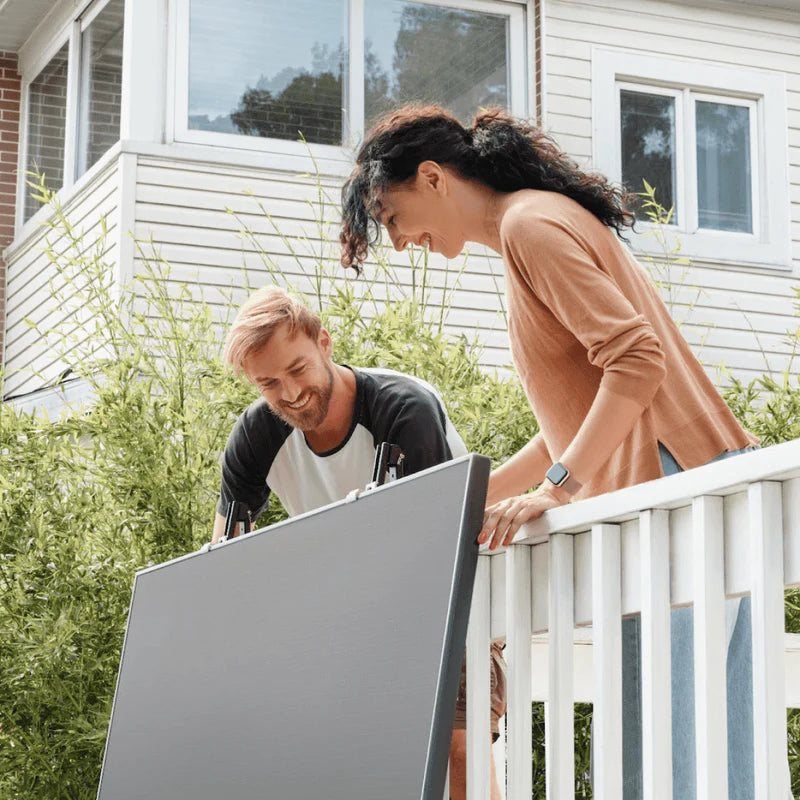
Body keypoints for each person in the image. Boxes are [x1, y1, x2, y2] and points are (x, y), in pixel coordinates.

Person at [339, 105, 768, 800]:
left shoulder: (529, 226)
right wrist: (458, 502)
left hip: (671, 488)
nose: (397, 242)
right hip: (701, 481)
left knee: (655, 760)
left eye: (391, 217)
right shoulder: (531, 227)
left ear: (433, 178)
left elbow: (636, 360)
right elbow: (572, 419)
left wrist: (559, 488)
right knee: (717, 757)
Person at [212, 284, 505, 800]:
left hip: (452, 609)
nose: (289, 393)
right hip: (349, 626)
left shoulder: (404, 408)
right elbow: (224, 564)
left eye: (298, 369)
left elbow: (427, 547)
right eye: (269, 383)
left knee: (458, 749)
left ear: (324, 343)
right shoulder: (256, 437)